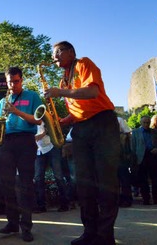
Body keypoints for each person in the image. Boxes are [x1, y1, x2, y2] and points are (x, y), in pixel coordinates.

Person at [43, 41, 120, 245]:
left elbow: (91, 92)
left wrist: (60, 93)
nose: (55, 57)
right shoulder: (63, 81)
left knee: (106, 182)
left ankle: (106, 237)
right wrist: (60, 121)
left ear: (71, 52)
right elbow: (77, 111)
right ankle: (90, 233)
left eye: (58, 52)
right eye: (53, 54)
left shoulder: (84, 63)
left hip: (103, 123)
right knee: (83, 184)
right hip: (81, 129)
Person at [0, 67, 42, 243]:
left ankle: (26, 227)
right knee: (6, 183)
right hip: (6, 142)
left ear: (21, 80)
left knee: (25, 185)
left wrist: (16, 112)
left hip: (26, 141)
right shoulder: (2, 102)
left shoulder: (32, 96)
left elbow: (38, 120)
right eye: (10, 82)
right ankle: (12, 223)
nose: (13, 85)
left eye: (16, 81)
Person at [34, 121, 70, 213]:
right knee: (38, 177)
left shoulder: (44, 117)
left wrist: (44, 133)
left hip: (51, 147)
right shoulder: (28, 119)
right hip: (39, 150)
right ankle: (41, 205)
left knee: (58, 176)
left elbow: (52, 128)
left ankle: (65, 203)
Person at [131, 116, 157, 205]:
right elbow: (133, 147)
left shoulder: (156, 132)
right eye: (144, 122)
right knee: (143, 180)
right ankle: (146, 199)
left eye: (147, 122)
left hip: (153, 156)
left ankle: (156, 198)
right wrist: (134, 161)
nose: (146, 124)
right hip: (141, 157)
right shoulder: (135, 132)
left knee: (156, 179)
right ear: (141, 123)